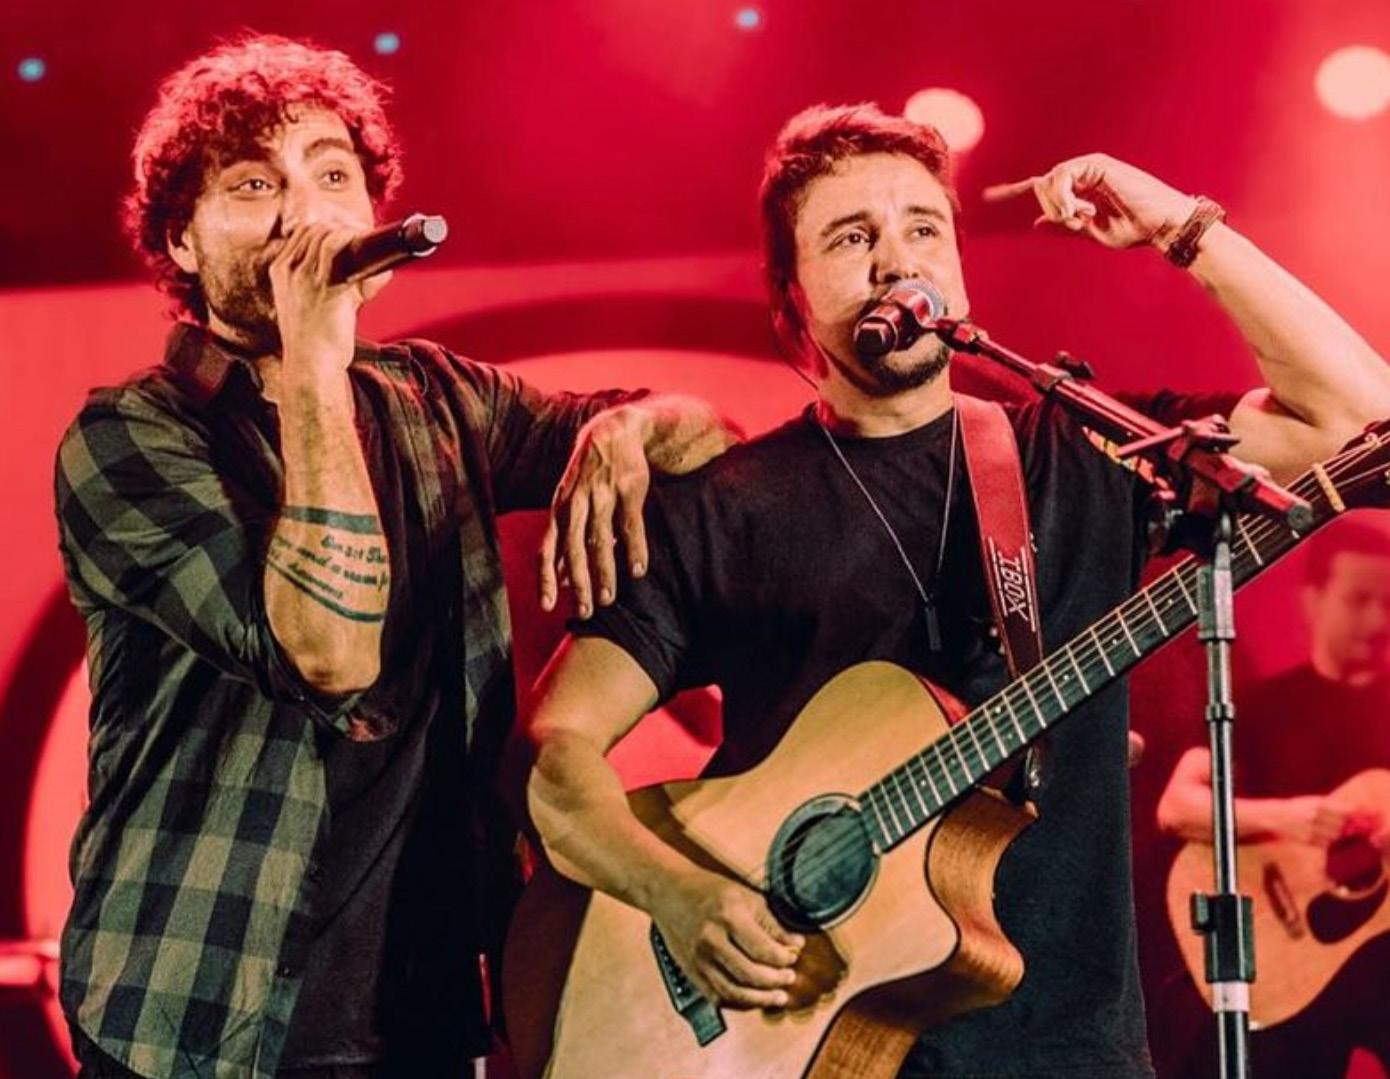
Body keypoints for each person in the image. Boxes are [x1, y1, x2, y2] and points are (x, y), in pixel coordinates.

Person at [512, 103, 1390, 1078]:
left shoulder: (1084, 450)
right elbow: (555, 750)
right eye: (852, 238)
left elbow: (1356, 415)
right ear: (790, 300)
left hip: (1074, 1049)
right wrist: (676, 892)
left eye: (923, 227)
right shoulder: (724, 509)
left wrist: (1180, 226)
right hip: (800, 1047)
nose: (897, 258)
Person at [53, 34, 736, 1079]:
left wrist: (629, 428)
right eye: (254, 184)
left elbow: (711, 436)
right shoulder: (129, 436)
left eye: (333, 176)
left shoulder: (439, 397)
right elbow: (329, 651)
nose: (304, 215)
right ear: (181, 240)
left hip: (420, 1010)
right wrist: (313, 356)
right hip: (199, 1014)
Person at [1156, 518, 1390, 1077]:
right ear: (1313, 601)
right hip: (1275, 964)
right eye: (1359, 600)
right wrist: (1292, 817)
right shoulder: (1260, 706)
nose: (1378, 621)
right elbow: (1176, 807)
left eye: (1389, 604)